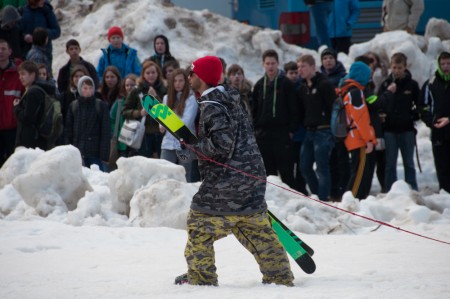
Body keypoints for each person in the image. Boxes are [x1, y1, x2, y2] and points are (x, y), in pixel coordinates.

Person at [174, 55, 294, 286]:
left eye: (192, 73)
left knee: (199, 225)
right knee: (253, 225)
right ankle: (279, 276)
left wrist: (191, 149)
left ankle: (201, 278)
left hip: (226, 183)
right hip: (251, 178)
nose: (189, 76)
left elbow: (221, 143)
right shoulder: (229, 99)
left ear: (202, 77)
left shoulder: (212, 106)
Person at [252, 49, 299, 189]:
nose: (270, 66)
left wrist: (291, 130)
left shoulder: (286, 83)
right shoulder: (259, 85)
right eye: (268, 63)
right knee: (268, 173)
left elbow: (294, 109)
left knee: (286, 172)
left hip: (282, 134)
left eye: (273, 63)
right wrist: (256, 129)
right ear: (263, 64)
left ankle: (290, 199)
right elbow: (254, 109)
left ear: (278, 64)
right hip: (264, 135)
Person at [378, 52, 420, 192]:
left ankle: (412, 188)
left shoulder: (412, 85)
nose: (396, 71)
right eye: (394, 67)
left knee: (408, 162)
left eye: (399, 68)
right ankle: (390, 190)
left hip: (407, 128)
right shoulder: (385, 84)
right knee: (390, 163)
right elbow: (379, 103)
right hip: (390, 129)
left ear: (405, 67)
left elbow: (420, 104)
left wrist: (414, 115)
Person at [297, 54, 336, 201]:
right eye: (299, 67)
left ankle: (323, 198)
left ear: (313, 67)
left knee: (322, 167)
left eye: (303, 66)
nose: (300, 70)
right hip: (309, 131)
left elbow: (334, 107)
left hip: (324, 130)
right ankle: (316, 195)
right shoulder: (302, 87)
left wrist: (334, 132)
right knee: (304, 166)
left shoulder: (324, 84)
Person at [339, 62, 377, 199]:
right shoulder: (356, 93)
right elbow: (361, 119)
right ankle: (351, 202)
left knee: (359, 172)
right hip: (359, 139)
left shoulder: (348, 90)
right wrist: (369, 140)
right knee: (359, 174)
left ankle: (358, 200)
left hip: (353, 137)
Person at [320, 47, 350, 201]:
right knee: (329, 161)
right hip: (324, 125)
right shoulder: (319, 78)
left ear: (335, 60)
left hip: (339, 124)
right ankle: (333, 190)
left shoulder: (343, 77)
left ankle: (344, 190)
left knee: (342, 159)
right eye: (325, 58)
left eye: (330, 58)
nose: (328, 61)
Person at [65, 75, 110, 171]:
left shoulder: (100, 106)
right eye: (85, 88)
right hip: (78, 151)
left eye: (90, 88)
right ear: (80, 89)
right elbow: (69, 131)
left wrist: (104, 155)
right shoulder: (74, 106)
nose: (88, 91)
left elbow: (105, 131)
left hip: (95, 152)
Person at [420, 51, 450, 193]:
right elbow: (423, 106)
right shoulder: (430, 83)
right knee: (441, 165)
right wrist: (431, 122)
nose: (446, 67)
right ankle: (445, 193)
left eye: (448, 63)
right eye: (443, 64)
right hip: (438, 131)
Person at [123, 60, 167, 158]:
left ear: (158, 73)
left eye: (153, 72)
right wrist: (139, 113)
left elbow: (167, 113)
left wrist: (156, 98)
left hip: (161, 134)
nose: (151, 75)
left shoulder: (164, 89)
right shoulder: (136, 90)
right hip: (143, 135)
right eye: (148, 73)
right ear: (143, 75)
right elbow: (125, 111)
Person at [160, 69, 198, 182]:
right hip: (168, 142)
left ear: (186, 82)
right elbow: (161, 123)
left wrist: (168, 120)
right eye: (175, 81)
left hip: (185, 144)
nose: (178, 83)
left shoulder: (191, 99)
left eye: (181, 80)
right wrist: (163, 124)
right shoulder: (166, 98)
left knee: (184, 178)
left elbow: (186, 122)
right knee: (164, 176)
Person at [13, 60, 52, 150]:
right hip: (38, 139)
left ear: (33, 75)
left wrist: (16, 108)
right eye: (19, 74)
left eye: (23, 74)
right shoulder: (39, 89)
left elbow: (28, 118)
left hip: (32, 142)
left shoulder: (33, 92)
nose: (20, 77)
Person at [283, 60, 308, 195]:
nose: (293, 76)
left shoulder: (301, 88)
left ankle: (300, 188)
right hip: (288, 134)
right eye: (290, 73)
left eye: (295, 73)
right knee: (288, 164)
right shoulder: (283, 88)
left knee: (301, 164)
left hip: (301, 132)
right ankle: (290, 188)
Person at [0, 38, 24, 166]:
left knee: (11, 164)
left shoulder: (19, 72)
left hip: (12, 128)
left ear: (10, 51)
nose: (0, 52)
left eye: (3, 49)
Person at [20, 0, 60, 73]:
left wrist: (42, 34)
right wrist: (24, 36)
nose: (43, 1)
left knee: (45, 76)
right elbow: (19, 30)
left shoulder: (46, 10)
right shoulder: (24, 11)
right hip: (26, 52)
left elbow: (57, 31)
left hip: (44, 51)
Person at [109, 73, 136, 171]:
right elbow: (111, 119)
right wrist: (116, 133)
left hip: (137, 141)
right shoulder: (119, 103)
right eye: (127, 85)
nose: (130, 87)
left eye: (132, 85)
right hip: (122, 142)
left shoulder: (141, 102)